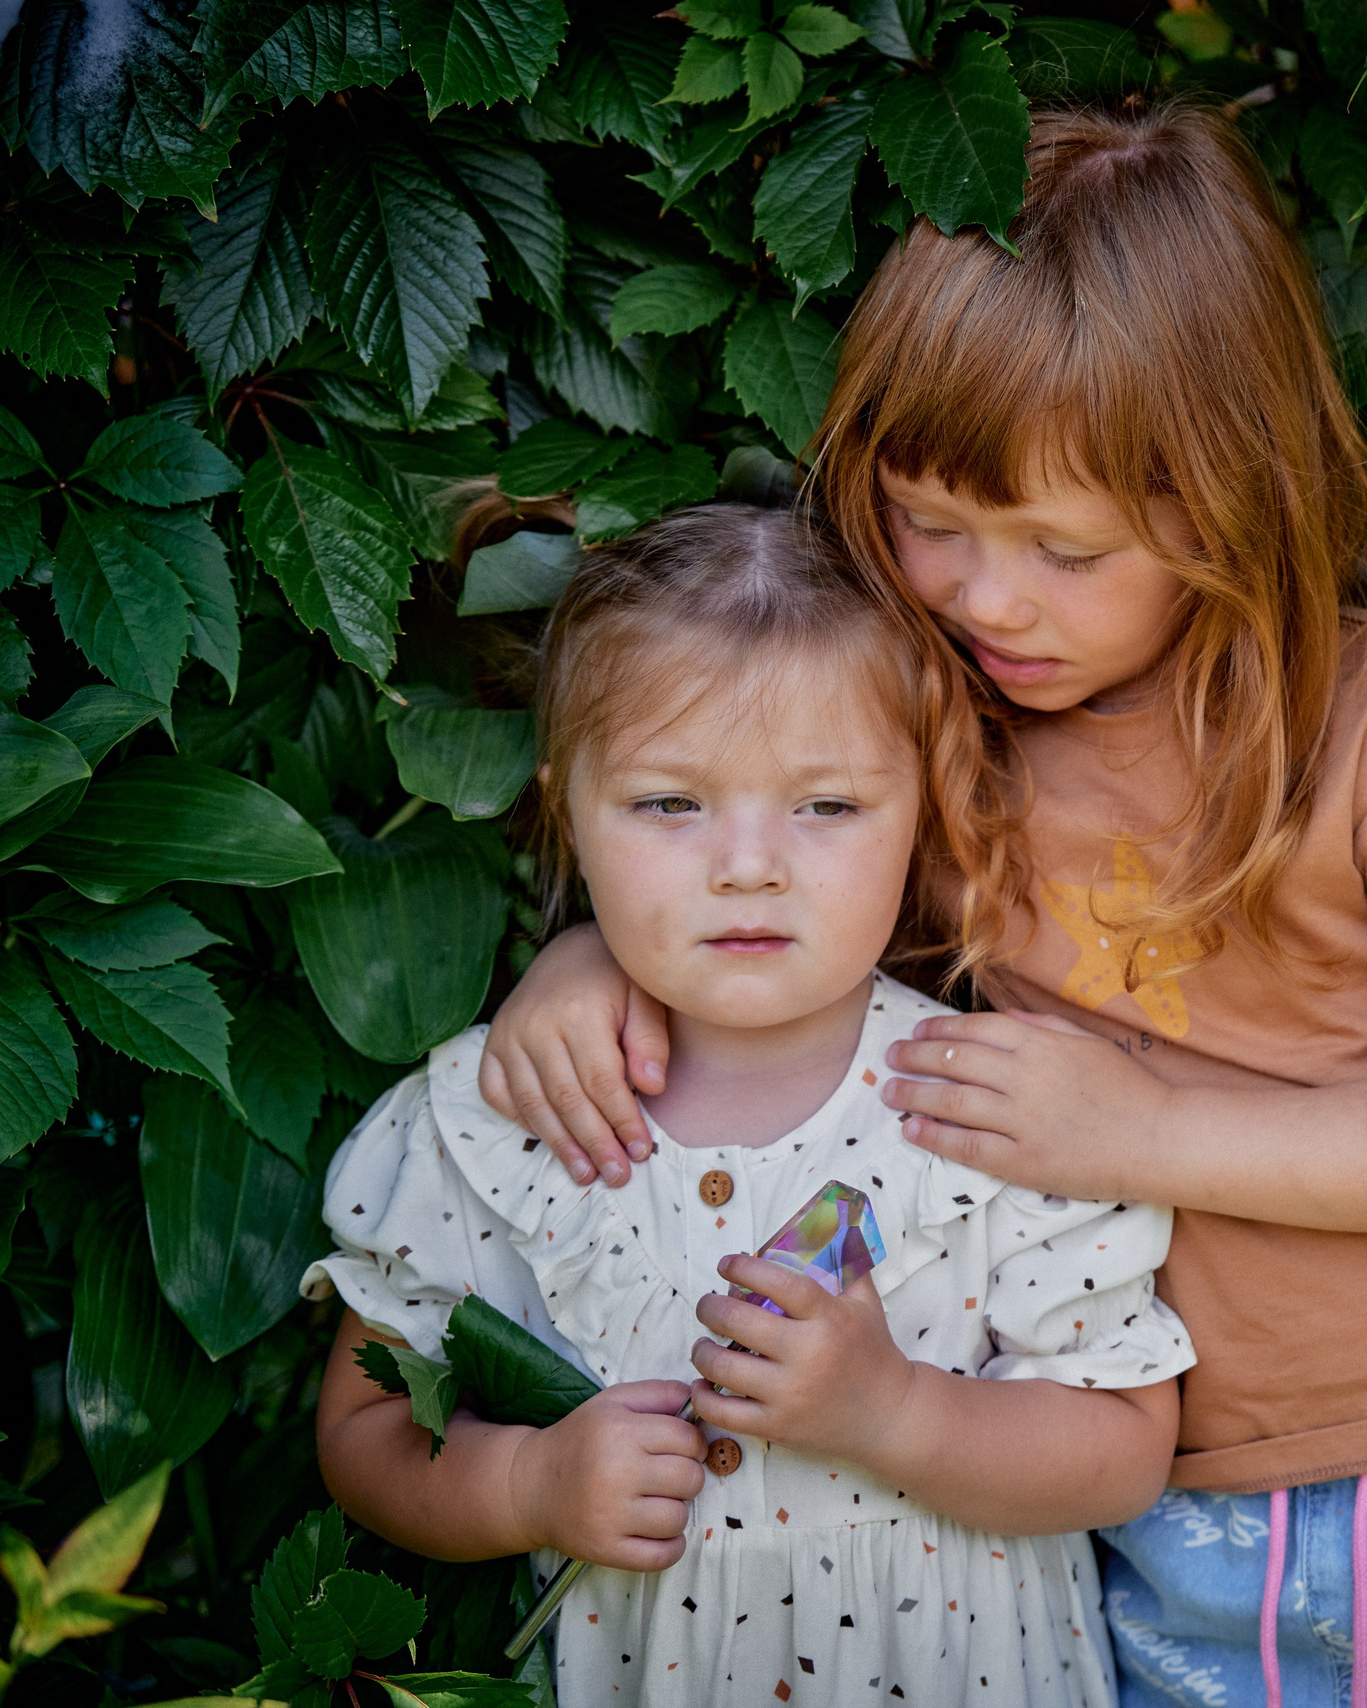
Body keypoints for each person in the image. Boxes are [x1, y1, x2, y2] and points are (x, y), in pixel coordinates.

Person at [476, 102, 1367, 1707]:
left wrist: (1135, 1131)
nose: (986, 596)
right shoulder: (935, 738)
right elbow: (765, 883)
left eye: (1066, 551)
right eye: (933, 524)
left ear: (1226, 498)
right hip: (1178, 1522)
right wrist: (603, 961)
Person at [308, 503, 1194, 1708]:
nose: (747, 864)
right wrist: (525, 1487)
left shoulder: (991, 1112)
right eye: (670, 804)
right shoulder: (496, 1122)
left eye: (826, 806)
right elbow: (364, 1423)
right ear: (568, 804)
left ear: (921, 803)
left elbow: (1126, 1445)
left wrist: (897, 1414)